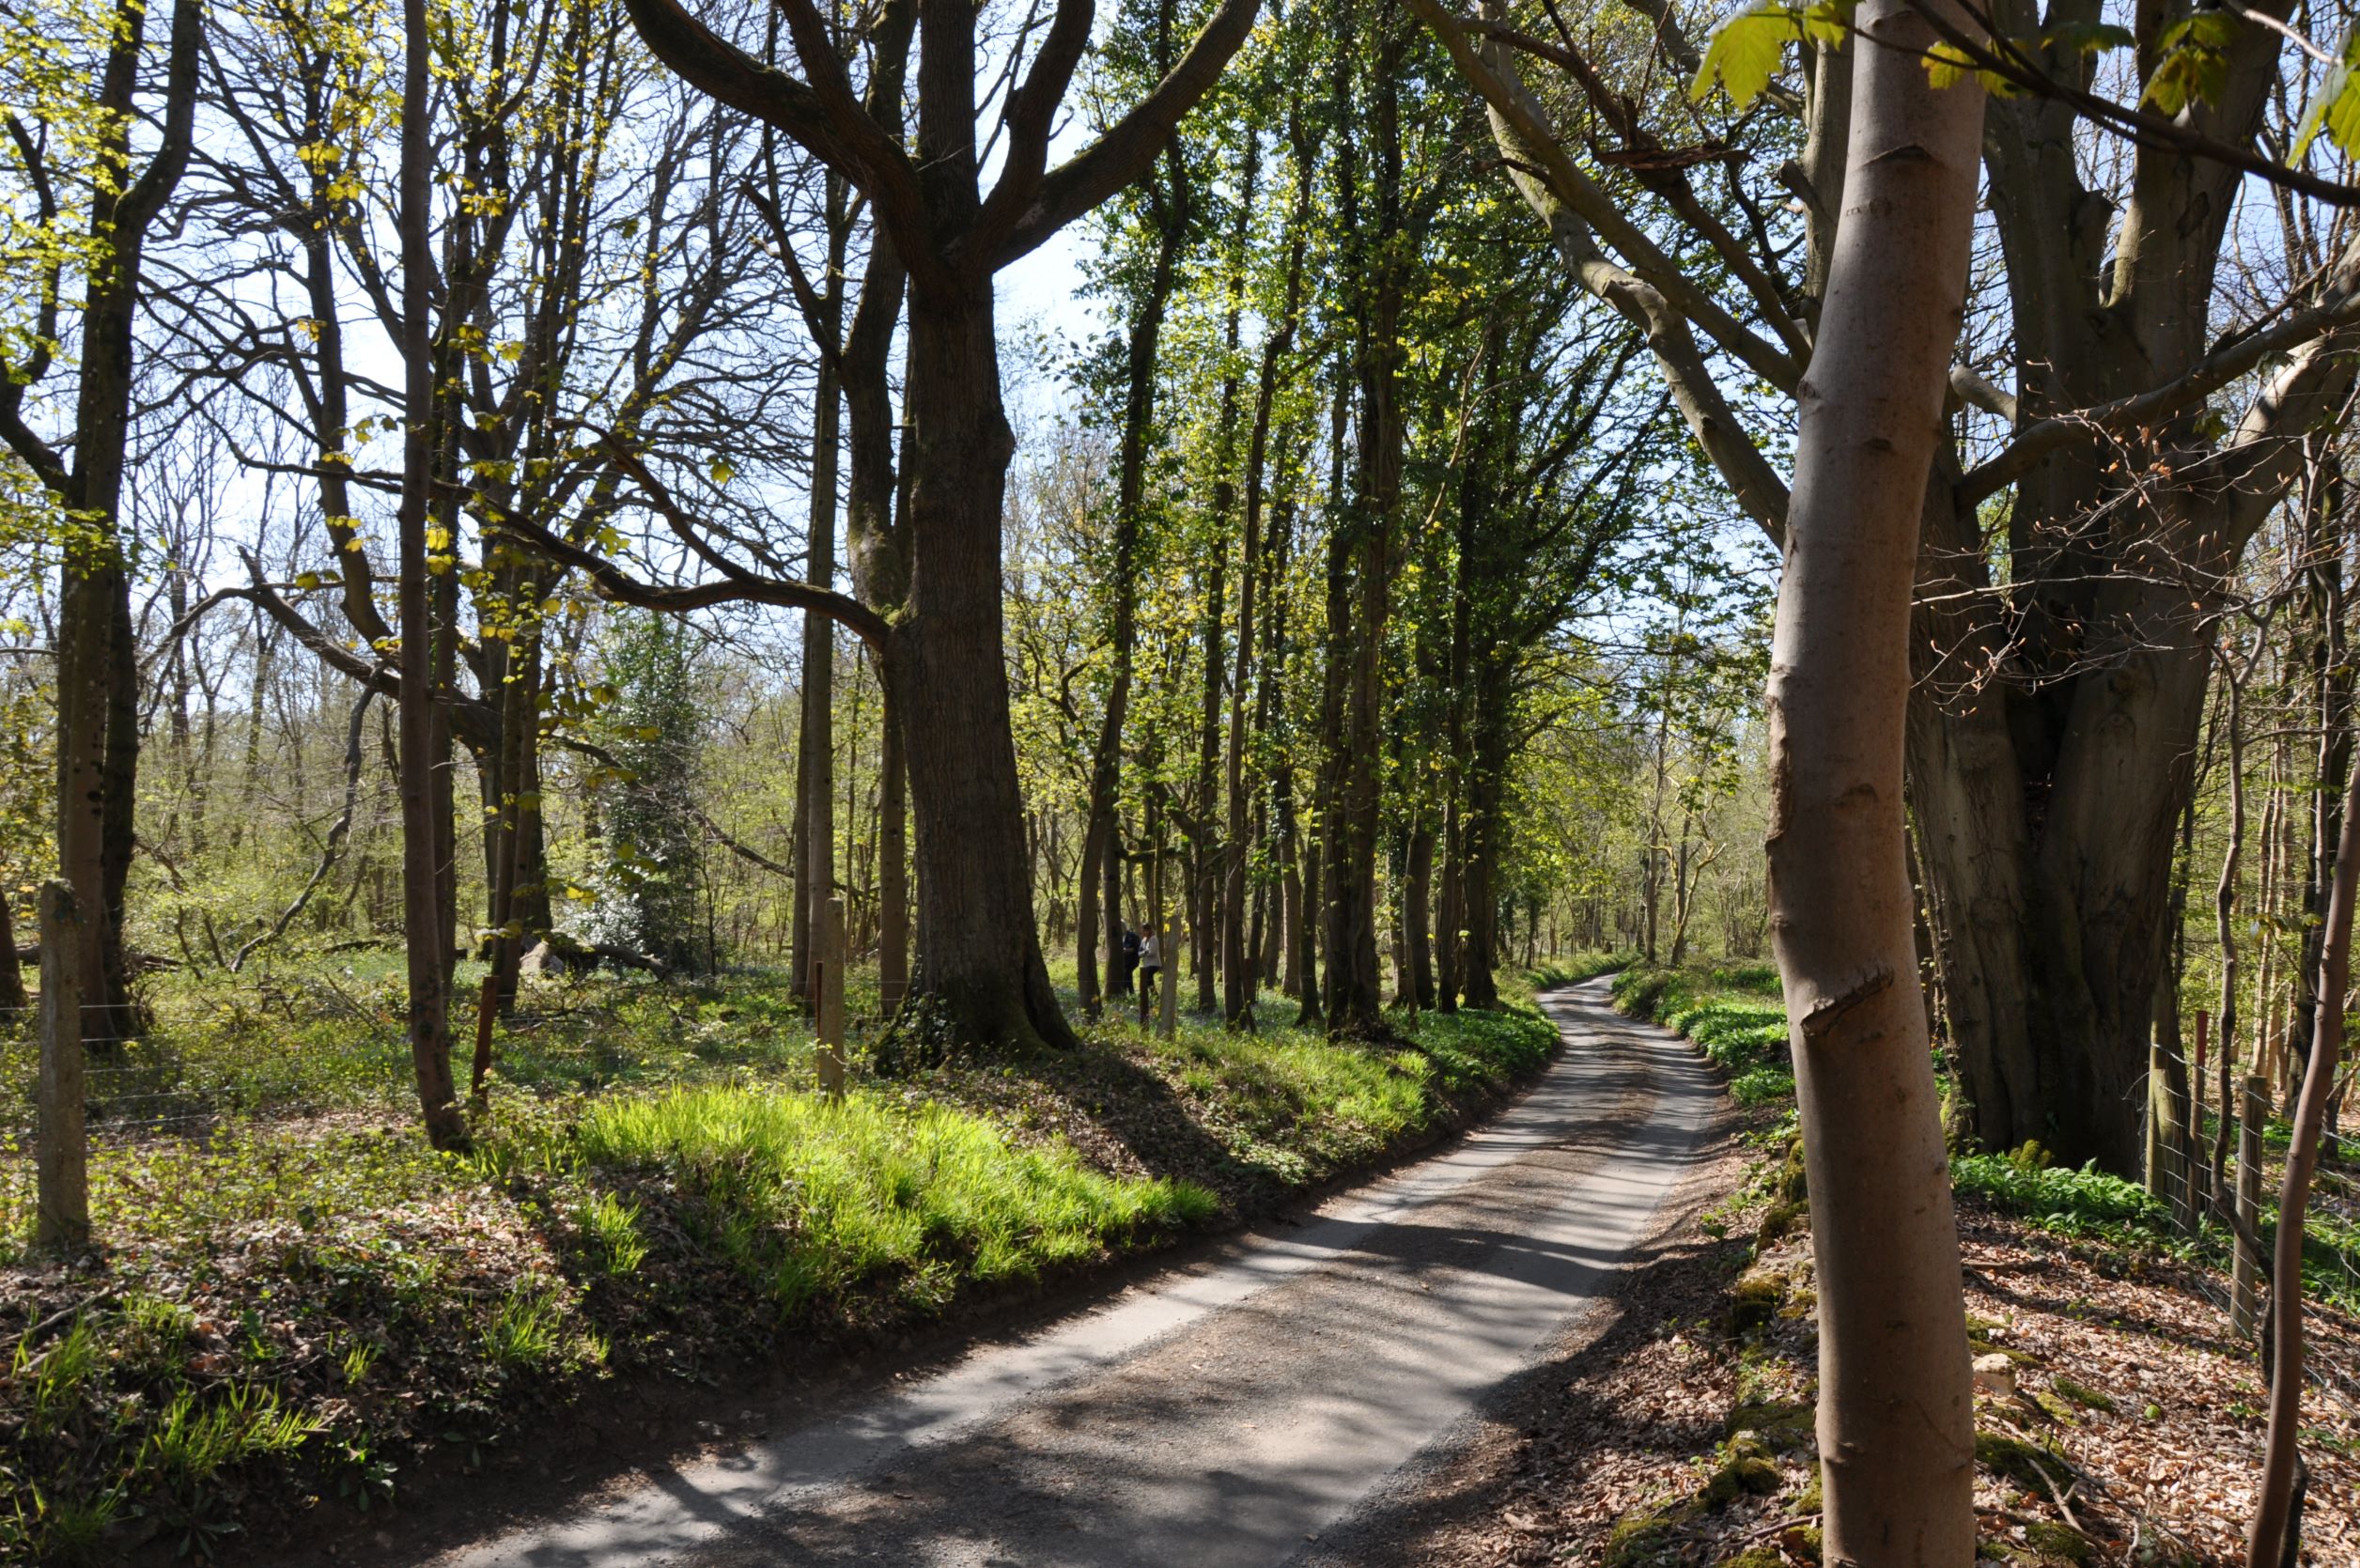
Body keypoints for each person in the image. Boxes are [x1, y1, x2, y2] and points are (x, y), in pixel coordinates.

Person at [1138, 931, 1161, 1025]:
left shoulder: (1153, 939)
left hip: (1154, 964)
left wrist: (1145, 953)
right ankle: (1154, 997)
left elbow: (1153, 952)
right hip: (1146, 964)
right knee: (1148, 981)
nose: (1143, 932)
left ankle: (1155, 997)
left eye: (1144, 930)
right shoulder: (1143, 940)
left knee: (1148, 979)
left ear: (1148, 930)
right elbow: (1139, 953)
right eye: (1142, 930)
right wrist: (1145, 952)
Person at [1114, 926, 1141, 997]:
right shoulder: (1120, 937)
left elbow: (1137, 948)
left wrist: (1126, 950)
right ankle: (1129, 993)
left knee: (1127, 974)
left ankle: (1127, 993)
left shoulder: (1133, 936)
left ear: (1125, 927)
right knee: (1127, 976)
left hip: (1132, 960)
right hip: (1125, 961)